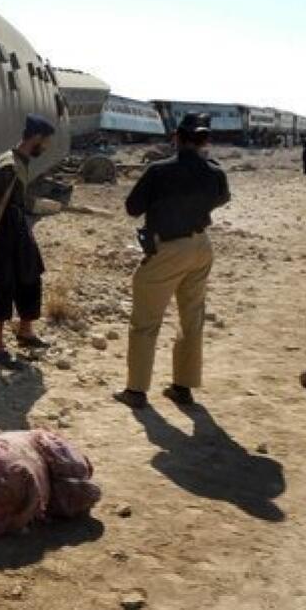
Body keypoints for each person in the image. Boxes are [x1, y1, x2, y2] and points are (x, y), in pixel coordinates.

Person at [114, 113, 230, 409]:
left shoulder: (158, 171)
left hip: (167, 248)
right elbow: (221, 198)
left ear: (176, 138)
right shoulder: (214, 172)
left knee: (145, 322)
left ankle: (136, 391)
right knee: (192, 319)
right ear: (204, 141)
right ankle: (183, 387)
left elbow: (132, 208)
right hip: (201, 246)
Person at [0, 114, 57, 362]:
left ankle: (25, 330)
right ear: (36, 138)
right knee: (3, 283)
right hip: (3, 230)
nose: (45, 148)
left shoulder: (19, 161)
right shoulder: (9, 165)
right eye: (45, 143)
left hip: (17, 226)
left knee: (31, 273)